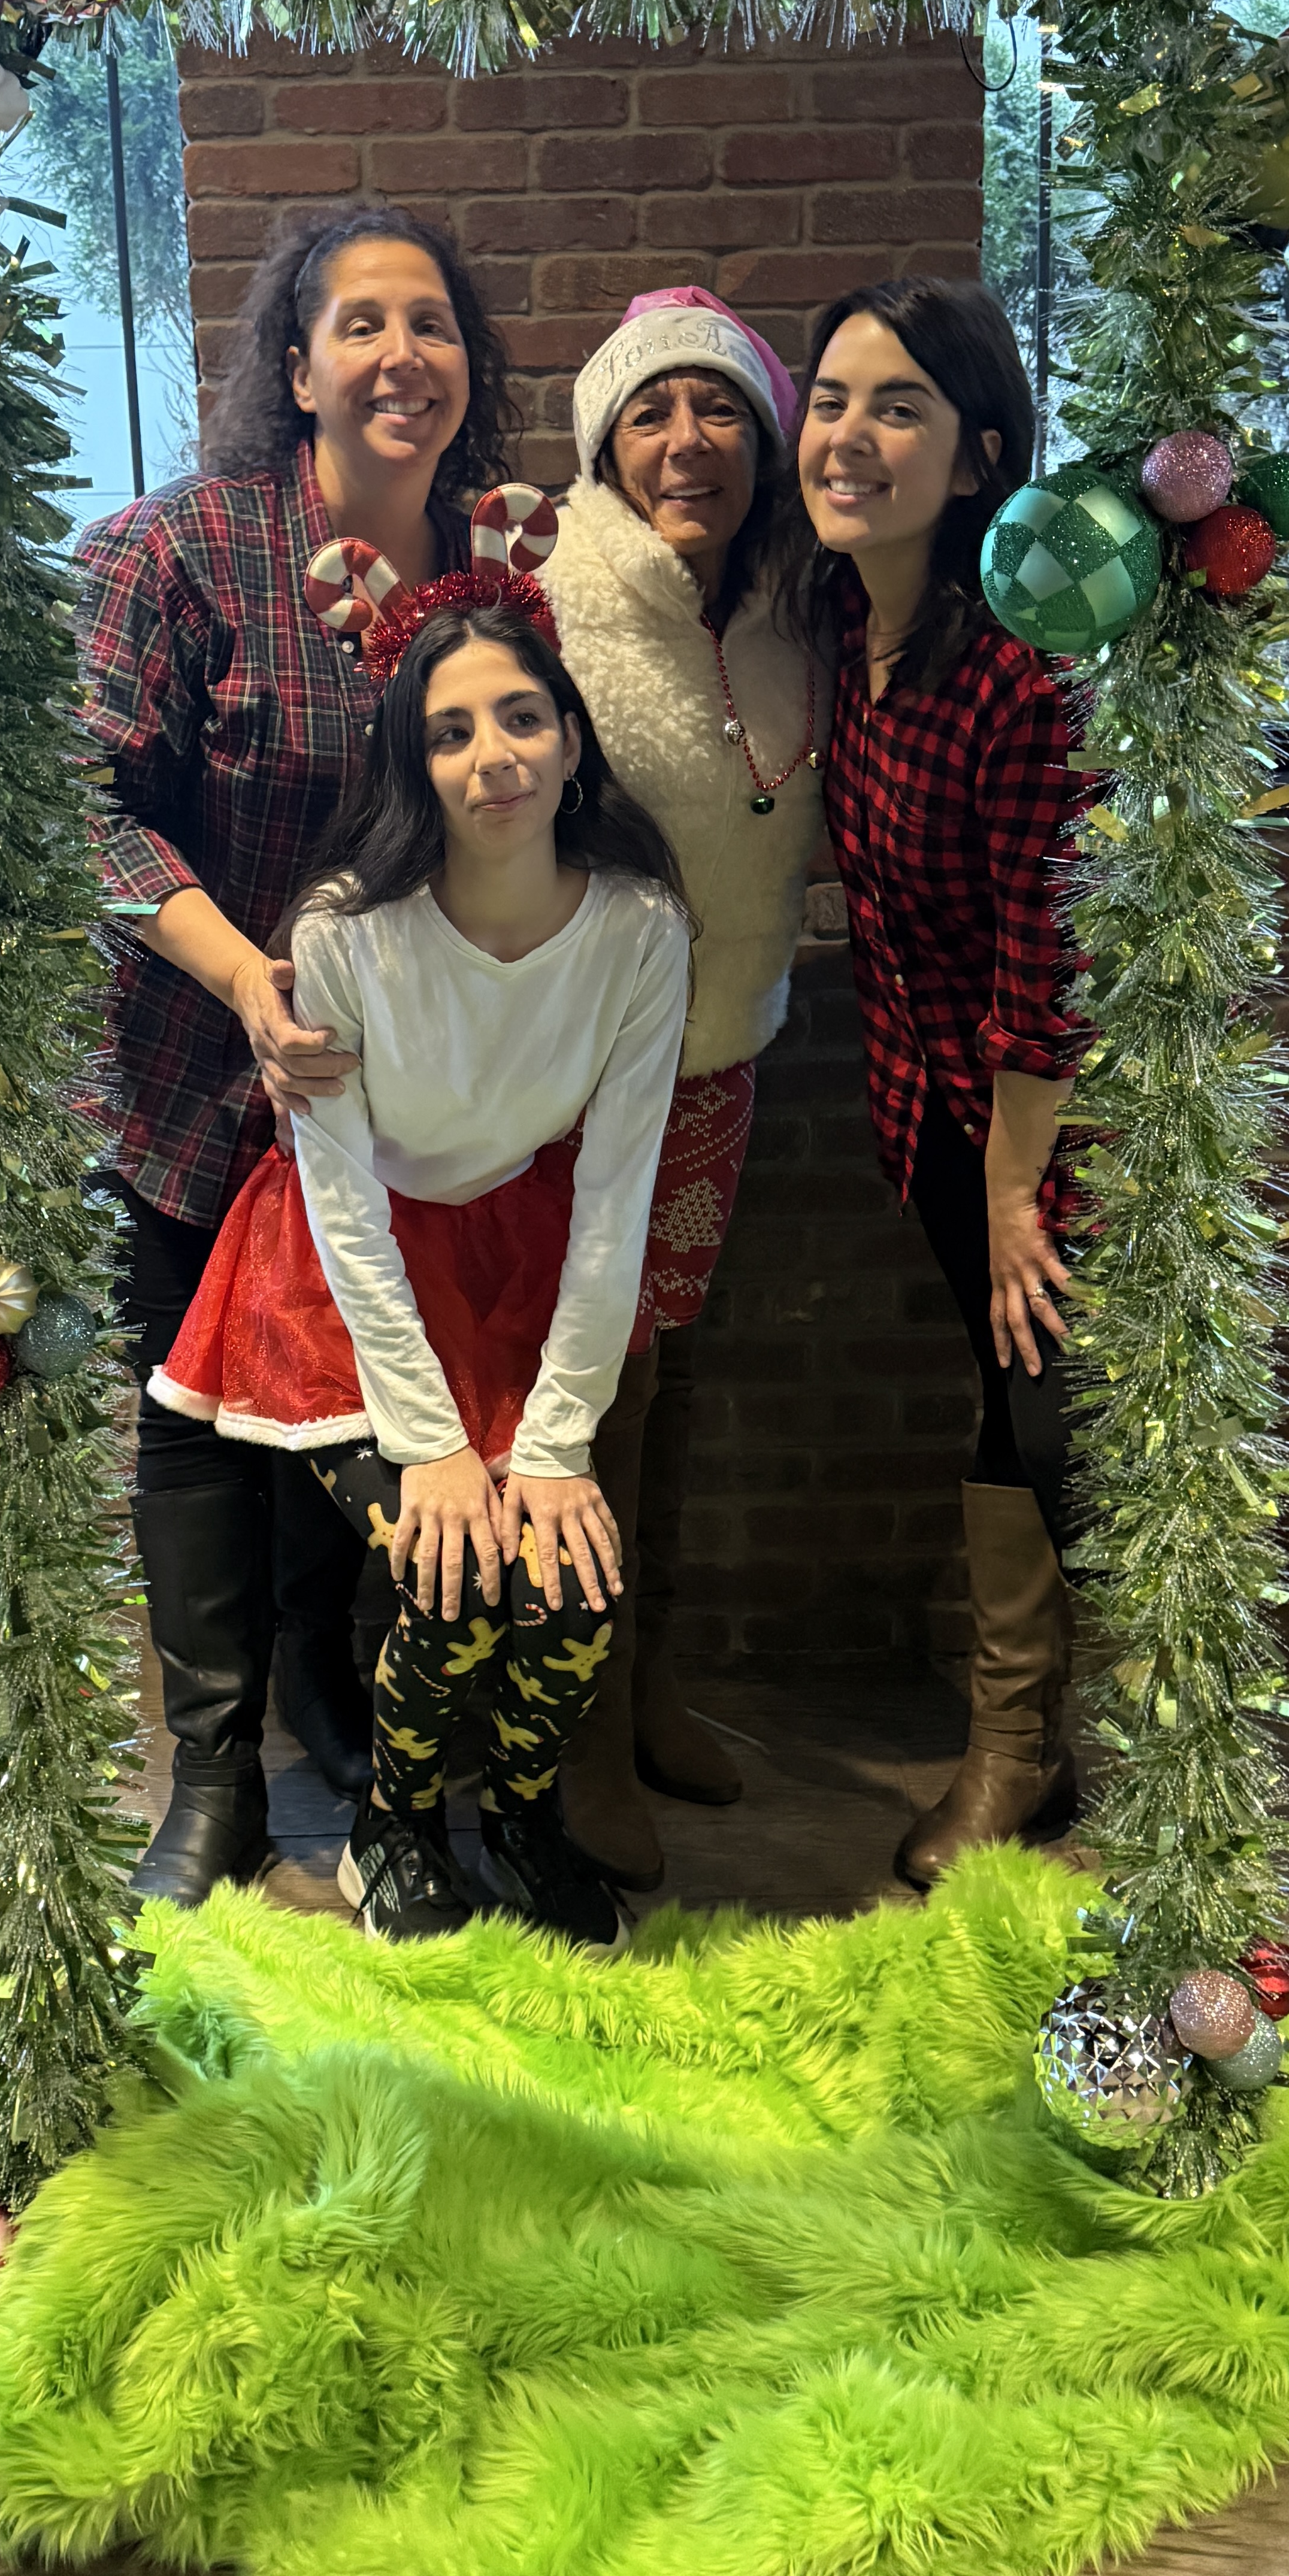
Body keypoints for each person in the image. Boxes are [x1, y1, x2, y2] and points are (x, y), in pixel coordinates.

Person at [149, 514, 691, 1953]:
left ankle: (518, 1812)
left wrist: (556, 1444)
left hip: (516, 1264)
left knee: (569, 1588)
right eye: (450, 733)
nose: (493, 756)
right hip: (345, 1277)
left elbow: (615, 1196)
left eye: (521, 717)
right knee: (449, 1579)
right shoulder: (343, 935)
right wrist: (436, 1446)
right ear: (413, 763)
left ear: (572, 739)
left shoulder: (641, 928)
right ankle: (394, 1824)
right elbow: (341, 1203)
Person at [76, 201, 516, 1907]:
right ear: (299, 364)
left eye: (434, 323)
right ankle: (214, 1775)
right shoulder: (179, 550)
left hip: (395, 1097)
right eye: (363, 324)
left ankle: (319, 1681)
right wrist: (245, 979)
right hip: (198, 1078)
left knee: (347, 1400)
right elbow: (82, 808)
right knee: (195, 1414)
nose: (404, 355)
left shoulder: (502, 566)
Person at [791, 277, 1089, 1892]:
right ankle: (1028, 1745)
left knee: (1055, 1432)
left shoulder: (1021, 672)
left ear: (978, 456)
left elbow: (1053, 958)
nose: (848, 436)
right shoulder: (852, 626)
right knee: (1006, 1403)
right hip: (930, 1118)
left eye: (896, 407)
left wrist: (1011, 1188)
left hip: (1042, 1141)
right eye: (832, 399)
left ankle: (1033, 1755)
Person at [539, 287, 835, 1894]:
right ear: (603, 443)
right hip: (572, 1081)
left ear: (766, 440)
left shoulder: (796, 609)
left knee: (676, 1379)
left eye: (718, 408)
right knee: (598, 1394)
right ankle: (580, 1727)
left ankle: (649, 1683)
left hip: (720, 1058)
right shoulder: (549, 598)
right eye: (648, 412)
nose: (685, 440)